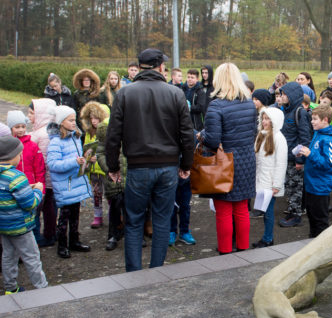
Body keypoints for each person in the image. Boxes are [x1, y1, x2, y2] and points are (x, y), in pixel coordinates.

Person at [106, 48, 194, 271]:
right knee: (162, 220)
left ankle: (134, 273)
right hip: (167, 166)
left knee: (134, 221)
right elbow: (187, 134)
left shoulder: (125, 93)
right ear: (161, 66)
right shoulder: (175, 93)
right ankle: (156, 271)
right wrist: (186, 164)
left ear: (140, 67)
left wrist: (113, 166)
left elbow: (113, 134)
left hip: (139, 167)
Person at [203, 62, 257, 254]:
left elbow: (212, 140)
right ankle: (243, 248)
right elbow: (253, 132)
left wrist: (200, 135)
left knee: (224, 210)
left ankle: (225, 251)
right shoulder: (249, 104)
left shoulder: (216, 105)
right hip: (246, 160)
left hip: (224, 162)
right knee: (242, 208)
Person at [0, 135, 47, 294]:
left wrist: (27, 187)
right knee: (32, 257)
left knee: (8, 257)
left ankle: (10, 288)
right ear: (12, 156)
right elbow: (30, 203)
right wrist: (38, 190)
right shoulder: (17, 176)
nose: (21, 156)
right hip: (21, 227)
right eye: (19, 154)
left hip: (4, 226)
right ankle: (42, 288)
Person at [46, 105, 92, 258]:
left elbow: (78, 158)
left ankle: (74, 240)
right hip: (65, 184)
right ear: (61, 122)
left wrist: (87, 160)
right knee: (64, 216)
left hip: (75, 182)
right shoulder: (56, 142)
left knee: (75, 214)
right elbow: (53, 164)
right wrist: (74, 162)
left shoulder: (76, 137)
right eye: (70, 120)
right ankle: (62, 245)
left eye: (74, 120)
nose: (74, 123)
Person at [298, 105, 332, 237]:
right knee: (312, 217)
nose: (312, 121)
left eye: (315, 119)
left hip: (320, 186)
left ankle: (322, 245)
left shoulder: (330, 140)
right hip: (311, 183)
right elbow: (315, 155)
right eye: (312, 118)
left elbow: (328, 164)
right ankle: (312, 241)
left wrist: (310, 154)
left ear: (325, 120)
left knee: (320, 221)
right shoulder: (318, 133)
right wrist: (305, 155)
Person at [275, 81, 313, 228]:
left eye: (285, 94)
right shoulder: (284, 111)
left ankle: (296, 215)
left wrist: (300, 160)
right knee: (289, 187)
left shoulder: (300, 113)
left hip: (295, 159)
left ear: (292, 95)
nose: (282, 97)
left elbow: (305, 138)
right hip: (285, 157)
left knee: (296, 187)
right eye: (281, 94)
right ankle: (291, 211)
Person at [252, 107, 287, 248]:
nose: (264, 121)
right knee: (263, 210)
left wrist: (276, 185)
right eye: (263, 118)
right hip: (261, 180)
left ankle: (268, 238)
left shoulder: (279, 138)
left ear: (274, 121)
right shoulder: (261, 135)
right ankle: (267, 237)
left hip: (271, 182)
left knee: (268, 211)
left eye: (268, 119)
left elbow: (281, 163)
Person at [27, 98, 57, 247]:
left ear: (41, 114)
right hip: (52, 178)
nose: (29, 116)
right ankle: (51, 233)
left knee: (44, 208)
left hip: (43, 179)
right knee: (51, 207)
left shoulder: (40, 134)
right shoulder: (51, 130)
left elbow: (39, 160)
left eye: (31, 113)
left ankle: (44, 236)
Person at [96, 117, 126, 251]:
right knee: (115, 205)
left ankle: (134, 234)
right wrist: (109, 169)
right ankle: (113, 235)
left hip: (129, 174)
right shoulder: (105, 127)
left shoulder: (131, 124)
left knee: (131, 207)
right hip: (113, 175)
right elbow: (100, 152)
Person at [79, 102, 109, 229]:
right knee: (96, 193)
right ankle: (97, 216)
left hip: (105, 168)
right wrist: (87, 156)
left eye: (96, 118)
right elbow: (86, 148)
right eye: (91, 118)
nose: (93, 121)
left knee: (110, 194)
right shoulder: (89, 132)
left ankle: (113, 216)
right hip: (93, 169)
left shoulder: (107, 131)